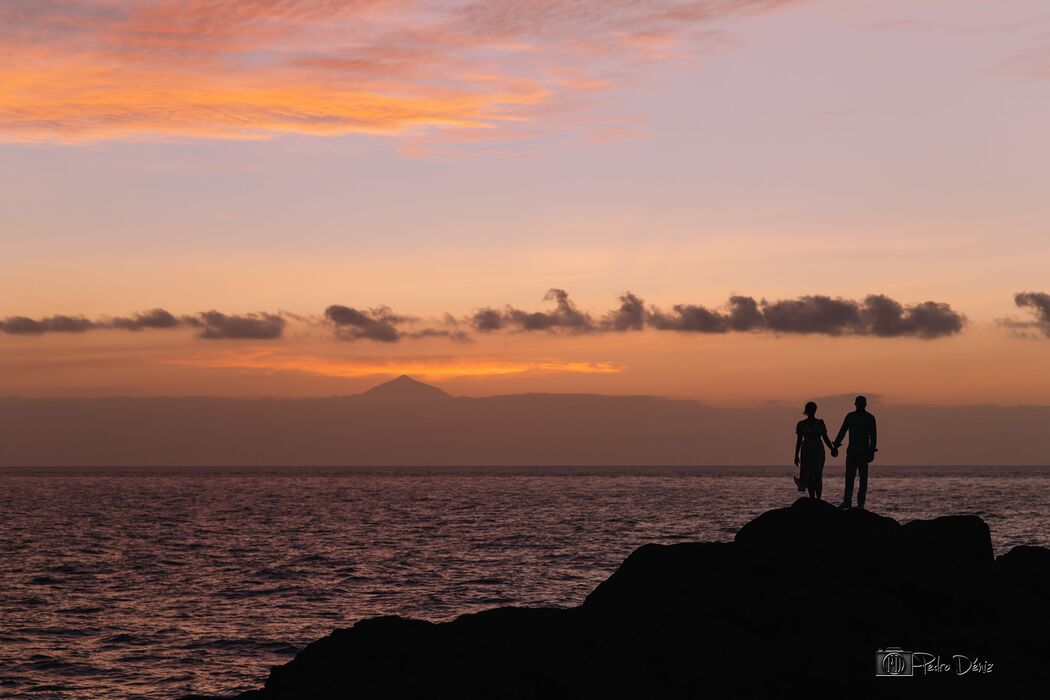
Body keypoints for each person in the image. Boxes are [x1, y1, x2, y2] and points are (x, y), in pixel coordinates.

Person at [833, 395, 878, 510]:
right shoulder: (850, 416)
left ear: (865, 404)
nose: (860, 404)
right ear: (855, 404)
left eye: (862, 402)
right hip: (852, 452)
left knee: (863, 478)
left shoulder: (870, 418)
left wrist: (871, 451)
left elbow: (873, 437)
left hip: (864, 452)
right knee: (849, 477)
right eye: (858, 402)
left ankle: (861, 503)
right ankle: (847, 502)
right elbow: (843, 430)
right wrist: (836, 444)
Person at [793, 401, 837, 499]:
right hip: (806, 451)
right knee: (808, 475)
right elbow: (799, 440)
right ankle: (812, 498)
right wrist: (796, 455)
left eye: (814, 409)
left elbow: (825, 438)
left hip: (818, 451)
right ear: (807, 410)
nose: (812, 411)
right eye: (811, 409)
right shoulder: (801, 424)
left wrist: (832, 449)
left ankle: (819, 498)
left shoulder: (820, 423)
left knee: (817, 474)